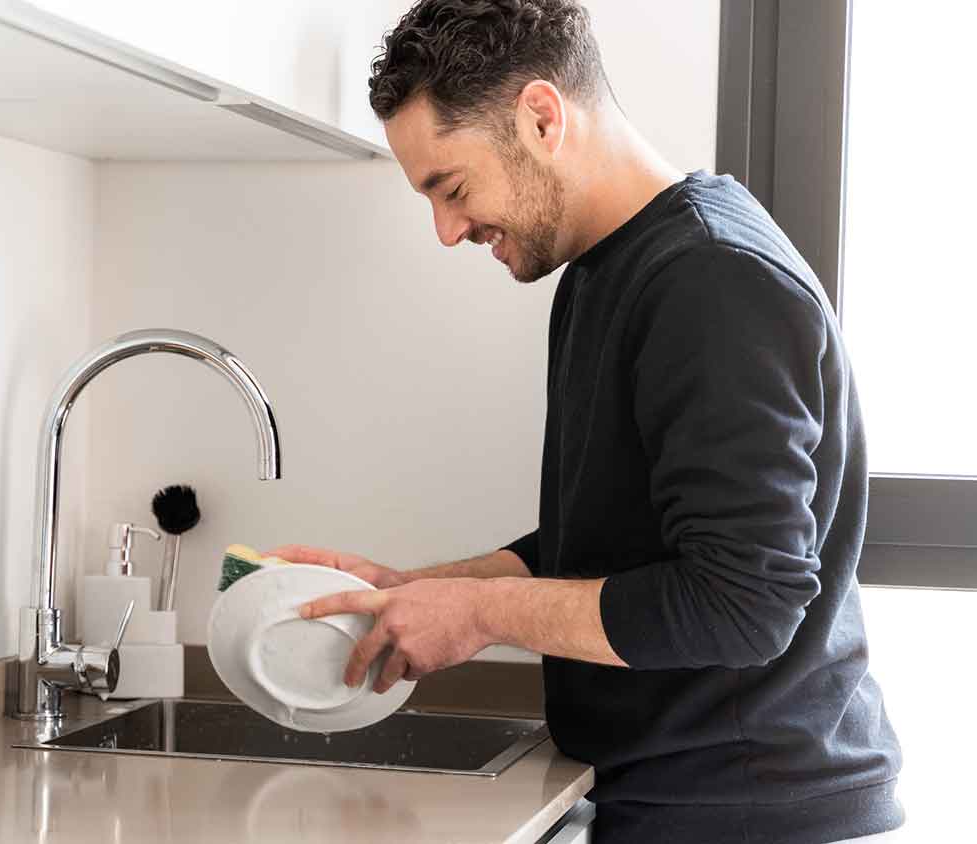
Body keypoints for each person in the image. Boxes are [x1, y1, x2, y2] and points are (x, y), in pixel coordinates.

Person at [268, 1, 904, 841]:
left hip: (756, 812)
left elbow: (744, 602)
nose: (448, 231)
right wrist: (418, 593)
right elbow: (605, 544)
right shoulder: (609, 271)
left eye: (450, 188)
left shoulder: (710, 281)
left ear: (540, 116)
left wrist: (481, 616)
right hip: (694, 798)